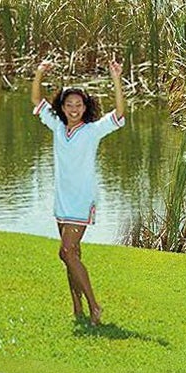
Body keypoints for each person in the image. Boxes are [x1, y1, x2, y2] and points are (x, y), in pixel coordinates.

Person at [31, 56, 127, 325]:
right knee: (70, 255)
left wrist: (116, 78)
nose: (74, 109)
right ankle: (77, 307)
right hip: (61, 201)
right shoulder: (58, 128)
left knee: (67, 251)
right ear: (62, 107)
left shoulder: (93, 131)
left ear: (86, 107)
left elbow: (119, 113)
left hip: (81, 201)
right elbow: (36, 100)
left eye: (79, 104)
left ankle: (95, 307)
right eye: (69, 104)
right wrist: (39, 72)